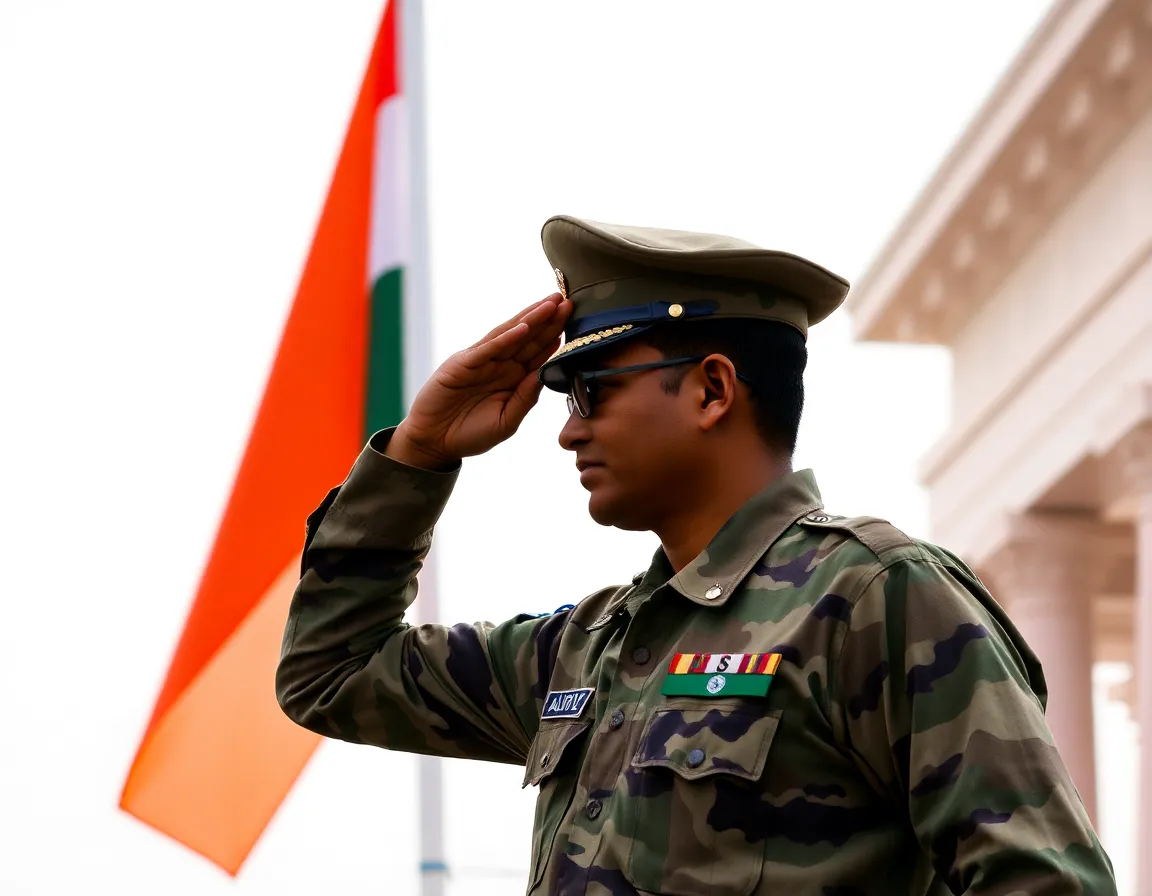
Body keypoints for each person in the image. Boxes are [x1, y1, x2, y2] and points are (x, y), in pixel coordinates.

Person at [276, 215, 1116, 895]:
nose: (567, 428)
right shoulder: (589, 647)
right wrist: (418, 453)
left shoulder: (872, 599)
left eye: (594, 391)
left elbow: (1042, 882)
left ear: (713, 389)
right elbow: (330, 673)